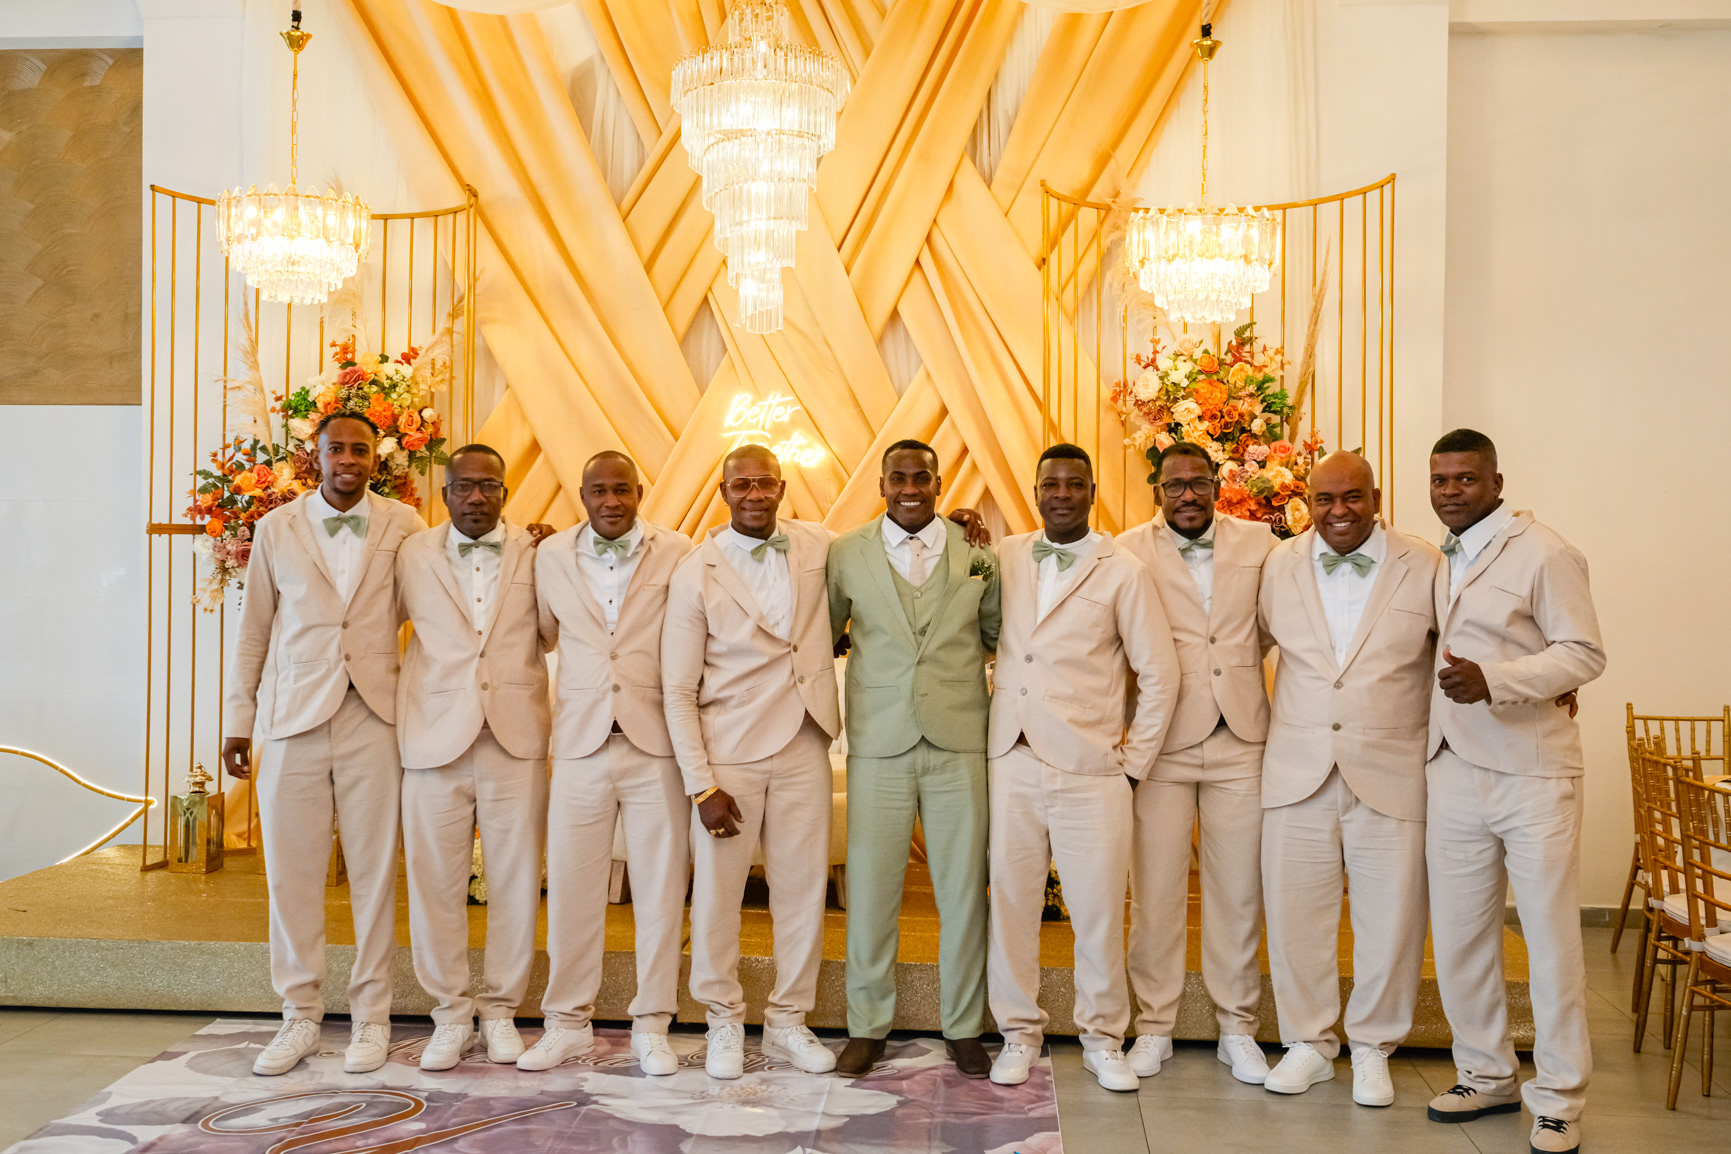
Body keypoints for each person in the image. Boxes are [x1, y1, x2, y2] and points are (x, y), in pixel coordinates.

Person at [221, 411, 425, 1076]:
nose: (348, 459)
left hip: (376, 716)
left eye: (360, 449)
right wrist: (239, 718)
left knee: (374, 874)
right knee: (291, 874)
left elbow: (432, 613)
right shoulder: (276, 527)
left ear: (376, 458)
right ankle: (300, 1014)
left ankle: (372, 1017)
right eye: (336, 448)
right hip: (293, 719)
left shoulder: (405, 525)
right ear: (316, 455)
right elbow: (254, 629)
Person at [1421, 429, 1605, 1154]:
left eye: (1465, 479)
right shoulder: (1437, 556)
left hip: (1532, 773)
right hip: (1451, 768)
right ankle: (1485, 1074)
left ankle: (1558, 1099)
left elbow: (1583, 651)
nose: (1450, 491)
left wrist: (1496, 681)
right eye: (1439, 479)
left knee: (1549, 940)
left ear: (1496, 483)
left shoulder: (1545, 551)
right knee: (1460, 935)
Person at [984, 443, 1181, 1092]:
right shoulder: (1007, 555)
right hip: (1010, 758)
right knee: (1010, 904)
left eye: (1074, 485)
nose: (1061, 494)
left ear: (1091, 493)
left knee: (1096, 911)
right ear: (1036, 492)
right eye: (1051, 484)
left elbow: (1159, 674)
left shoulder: (1123, 570)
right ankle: (1018, 1033)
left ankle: (1103, 1038)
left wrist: (1132, 764)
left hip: (1092, 768)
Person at [1255, 450, 1442, 1106]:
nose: (1338, 511)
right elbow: (1242, 648)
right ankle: (1307, 1043)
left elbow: (1461, 645)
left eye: (1352, 497)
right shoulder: (1277, 565)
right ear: (1307, 503)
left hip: (1392, 770)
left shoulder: (1424, 563)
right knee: (1294, 917)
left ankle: (1372, 1047)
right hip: (1295, 770)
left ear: (1376, 498)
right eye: (1324, 499)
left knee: (1391, 920)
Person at [661, 444, 843, 1080]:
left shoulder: (820, 545)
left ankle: (789, 1021)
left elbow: (886, 555)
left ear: (783, 487)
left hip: (804, 743)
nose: (755, 494)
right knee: (718, 896)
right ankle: (723, 1020)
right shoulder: (694, 570)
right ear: (723, 492)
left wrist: (957, 531)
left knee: (802, 891)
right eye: (742, 485)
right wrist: (700, 785)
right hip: (728, 755)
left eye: (766, 483)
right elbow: (677, 690)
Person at [825, 439, 1002, 1078]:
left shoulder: (977, 553)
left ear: (937, 483)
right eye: (897, 477)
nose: (908, 487)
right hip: (879, 740)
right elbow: (827, 631)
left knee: (964, 891)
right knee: (872, 889)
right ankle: (867, 1025)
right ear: (881, 484)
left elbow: (996, 634)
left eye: (920, 477)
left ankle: (964, 1026)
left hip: (960, 739)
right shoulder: (845, 553)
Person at [520, 451, 695, 1077]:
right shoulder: (549, 555)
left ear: (640, 491)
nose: (612, 501)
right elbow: (544, 634)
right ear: (583, 494)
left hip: (657, 744)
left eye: (622, 489)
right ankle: (566, 1024)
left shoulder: (680, 552)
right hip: (579, 743)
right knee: (572, 890)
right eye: (599, 491)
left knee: (661, 892)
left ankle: (653, 1024)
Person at [1118, 441, 1278, 1084]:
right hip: (1161, 742)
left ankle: (1237, 1027)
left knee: (1238, 891)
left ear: (1217, 484)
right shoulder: (1127, 549)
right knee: (1154, 891)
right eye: (1175, 485)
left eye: (1199, 483)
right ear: (1157, 490)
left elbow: (1274, 624)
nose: (1188, 495)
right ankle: (1154, 1026)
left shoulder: (1262, 543)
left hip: (1242, 737)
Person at [394, 444, 553, 1070]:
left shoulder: (539, 553)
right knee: (434, 881)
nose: (477, 496)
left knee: (516, 879)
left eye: (489, 485)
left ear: (506, 493)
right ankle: (451, 1014)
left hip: (517, 734)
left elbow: (555, 631)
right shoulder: (411, 553)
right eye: (464, 486)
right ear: (446, 494)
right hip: (433, 735)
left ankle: (502, 1009)